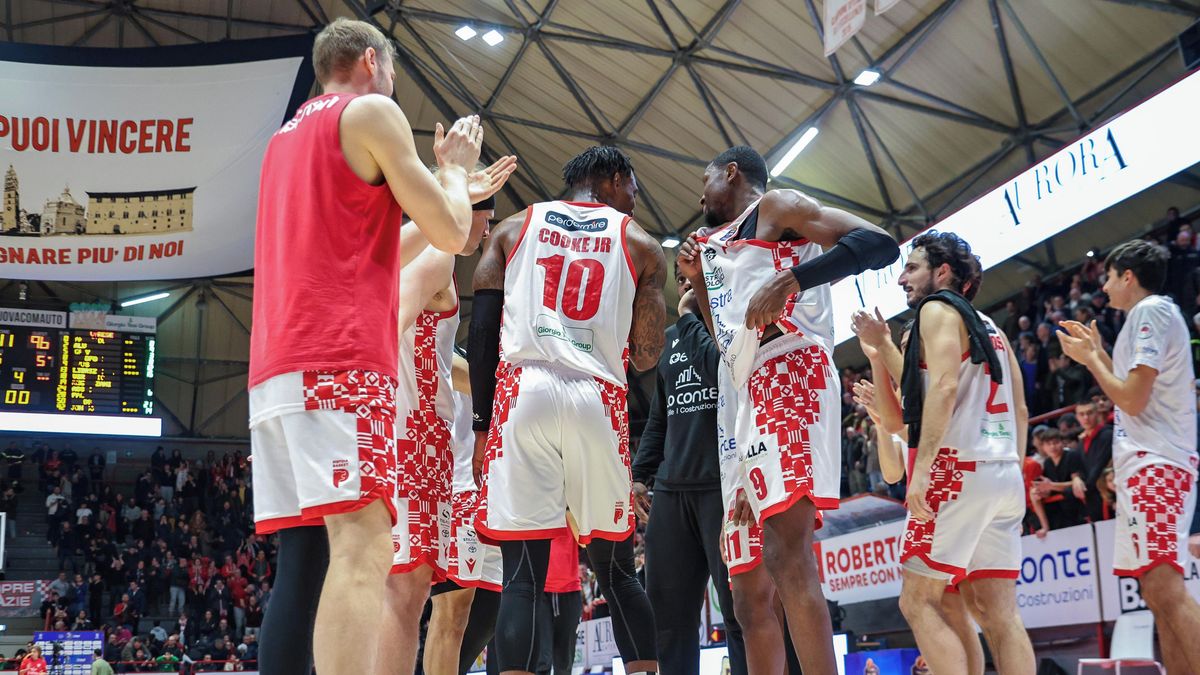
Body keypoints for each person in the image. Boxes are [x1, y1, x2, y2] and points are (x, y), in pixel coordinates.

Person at [246, 16, 509, 675]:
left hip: (277, 364)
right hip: (339, 361)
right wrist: (454, 172)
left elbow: (378, 244)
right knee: (365, 548)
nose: (394, 83)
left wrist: (452, 191)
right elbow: (452, 232)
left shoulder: (283, 139)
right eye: (391, 70)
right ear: (371, 61)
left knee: (305, 563)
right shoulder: (370, 112)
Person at [676, 145, 898, 673]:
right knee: (751, 586)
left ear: (731, 172)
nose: (700, 196)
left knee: (787, 555)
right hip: (749, 388)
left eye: (705, 179)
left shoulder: (775, 207)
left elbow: (880, 243)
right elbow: (727, 344)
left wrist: (794, 279)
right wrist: (699, 283)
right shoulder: (715, 247)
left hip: (790, 369)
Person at [470, 145, 666, 674]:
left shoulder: (512, 228)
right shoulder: (642, 244)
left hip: (524, 392)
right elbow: (647, 354)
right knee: (618, 572)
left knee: (521, 577)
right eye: (633, 189)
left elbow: (482, 334)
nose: (634, 200)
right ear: (615, 179)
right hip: (596, 395)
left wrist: (482, 427)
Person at [877, 231, 1034, 675]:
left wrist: (923, 470)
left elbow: (944, 386)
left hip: (957, 468)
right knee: (1001, 614)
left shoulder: (936, 309)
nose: (902, 279)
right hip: (1004, 471)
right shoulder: (992, 327)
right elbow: (1021, 410)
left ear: (942, 272)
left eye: (912, 268)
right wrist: (1010, 471)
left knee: (918, 601)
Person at [1059, 239, 1200, 674]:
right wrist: (1098, 354)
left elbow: (1131, 399)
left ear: (1128, 276)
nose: (1103, 286)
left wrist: (1092, 360)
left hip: (1158, 462)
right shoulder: (1145, 318)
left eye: (1108, 276)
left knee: (1164, 588)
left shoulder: (1150, 311)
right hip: (1146, 463)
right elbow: (1130, 391)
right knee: (1157, 592)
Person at [384, 187, 506, 675]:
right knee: (409, 597)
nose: (487, 230)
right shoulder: (437, 256)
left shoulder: (428, 258)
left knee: (414, 596)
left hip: (422, 438)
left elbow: (440, 361)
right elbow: (388, 324)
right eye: (483, 217)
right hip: (414, 436)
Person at [630, 265, 747, 675]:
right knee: (668, 618)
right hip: (672, 491)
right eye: (680, 279)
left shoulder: (734, 325)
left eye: (693, 278)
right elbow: (659, 416)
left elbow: (719, 371)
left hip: (723, 487)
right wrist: (640, 475)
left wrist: (688, 316)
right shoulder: (671, 338)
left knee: (737, 611)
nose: (684, 284)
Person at [1028, 428, 1086, 533]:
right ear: (1043, 447)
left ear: (1062, 443)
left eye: (1055, 443)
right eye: (1048, 444)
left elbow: (1077, 482)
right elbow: (1049, 488)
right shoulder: (1047, 463)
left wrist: (1051, 485)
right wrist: (1042, 490)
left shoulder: (1072, 455)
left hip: (1074, 504)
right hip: (1057, 507)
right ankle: (1045, 526)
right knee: (1034, 492)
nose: (1052, 447)